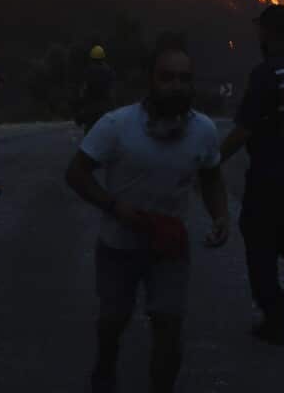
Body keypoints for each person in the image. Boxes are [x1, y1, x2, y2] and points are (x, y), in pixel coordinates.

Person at [64, 32, 230, 393]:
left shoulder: (203, 130)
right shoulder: (115, 125)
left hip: (169, 247)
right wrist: (114, 206)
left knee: (168, 326)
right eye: (167, 77)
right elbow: (75, 173)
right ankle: (105, 370)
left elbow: (212, 178)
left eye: (184, 78)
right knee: (113, 320)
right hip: (118, 245)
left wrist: (220, 217)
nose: (176, 85)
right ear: (150, 81)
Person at [219, 3, 284, 345]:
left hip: (270, 178)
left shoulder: (265, 75)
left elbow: (244, 131)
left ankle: (274, 318)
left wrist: (210, 161)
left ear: (267, 32)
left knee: (260, 246)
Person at [75, 45, 116, 132]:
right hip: (105, 107)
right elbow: (111, 90)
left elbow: (83, 90)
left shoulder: (88, 71)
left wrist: (81, 105)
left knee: (90, 133)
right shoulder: (108, 71)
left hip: (91, 107)